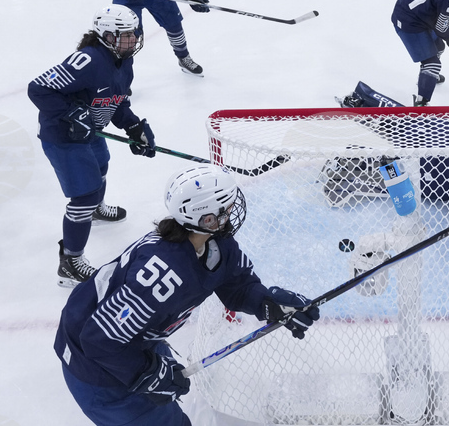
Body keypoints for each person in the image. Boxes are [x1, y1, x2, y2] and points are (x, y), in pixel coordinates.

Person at [55, 164, 320, 426]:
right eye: (227, 208)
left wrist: (268, 303)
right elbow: (99, 340)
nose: (233, 211)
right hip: (94, 368)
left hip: (126, 339)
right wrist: (146, 373)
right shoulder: (162, 275)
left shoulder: (214, 242)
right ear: (207, 219)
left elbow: (237, 286)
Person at [28, 4, 158, 288]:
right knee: (83, 195)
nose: (133, 39)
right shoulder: (87, 60)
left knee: (102, 166)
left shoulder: (124, 61)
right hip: (62, 136)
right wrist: (73, 114)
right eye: (126, 35)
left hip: (90, 131)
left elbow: (116, 99)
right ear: (108, 36)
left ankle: (95, 209)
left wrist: (133, 125)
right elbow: (38, 88)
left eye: (134, 33)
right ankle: (70, 261)